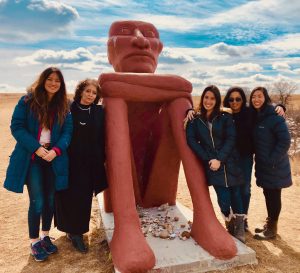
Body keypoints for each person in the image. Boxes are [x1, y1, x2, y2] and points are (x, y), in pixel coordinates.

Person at [99, 20, 237, 273]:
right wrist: (113, 87)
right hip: (119, 179)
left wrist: (115, 85)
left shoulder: (171, 92)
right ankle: (125, 224)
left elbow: (181, 88)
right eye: (125, 33)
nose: (140, 40)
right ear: (110, 51)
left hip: (157, 186)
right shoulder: (114, 93)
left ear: (159, 48)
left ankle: (205, 217)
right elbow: (109, 84)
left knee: (179, 101)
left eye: (150, 35)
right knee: (116, 99)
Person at [187, 86, 285, 232]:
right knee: (232, 190)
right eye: (231, 99)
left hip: (244, 156)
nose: (234, 102)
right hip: (229, 157)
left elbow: (264, 110)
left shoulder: (249, 113)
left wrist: (280, 106)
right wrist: (189, 110)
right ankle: (232, 219)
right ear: (227, 101)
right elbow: (204, 113)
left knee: (244, 189)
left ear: (243, 100)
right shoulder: (224, 113)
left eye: (238, 99)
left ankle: (242, 220)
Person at [4, 67, 73, 262]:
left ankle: (45, 236)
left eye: (57, 81)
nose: (53, 83)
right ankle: (34, 241)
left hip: (54, 158)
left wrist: (55, 151)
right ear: (43, 81)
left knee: (51, 200)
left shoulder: (64, 105)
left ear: (61, 85)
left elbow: (68, 132)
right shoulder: (27, 101)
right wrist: (36, 148)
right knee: (37, 201)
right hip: (32, 157)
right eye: (49, 79)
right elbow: (16, 127)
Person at [186, 85, 246, 243]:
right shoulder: (196, 119)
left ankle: (239, 229)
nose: (208, 101)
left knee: (237, 195)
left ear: (217, 100)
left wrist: (220, 158)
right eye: (206, 97)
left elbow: (231, 138)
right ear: (203, 98)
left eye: (212, 98)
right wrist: (208, 158)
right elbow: (191, 140)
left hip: (230, 161)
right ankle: (229, 223)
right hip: (212, 164)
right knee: (223, 198)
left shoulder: (225, 117)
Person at [55, 79, 108, 253]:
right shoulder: (68, 109)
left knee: (84, 197)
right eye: (88, 91)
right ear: (80, 92)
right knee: (67, 195)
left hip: (90, 162)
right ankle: (72, 232)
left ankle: (78, 232)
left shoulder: (99, 112)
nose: (90, 95)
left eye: (94, 93)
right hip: (69, 161)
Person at [249, 86, 292, 240]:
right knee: (269, 194)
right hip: (265, 165)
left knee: (273, 196)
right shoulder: (257, 116)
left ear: (265, 98)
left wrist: (272, 160)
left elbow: (285, 141)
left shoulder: (274, 117)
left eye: (259, 96)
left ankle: (272, 229)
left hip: (274, 165)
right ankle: (271, 224)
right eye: (254, 96)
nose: (256, 99)